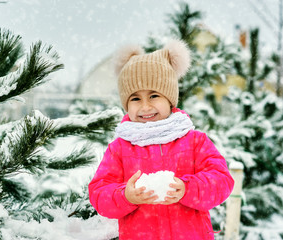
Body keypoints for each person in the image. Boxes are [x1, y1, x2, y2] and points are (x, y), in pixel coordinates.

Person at [88, 39, 234, 240]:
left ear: (169, 99)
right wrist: (125, 196)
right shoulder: (120, 148)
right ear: (126, 104)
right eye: (135, 98)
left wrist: (187, 188)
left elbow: (222, 180)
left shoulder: (194, 141)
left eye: (154, 95)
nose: (145, 106)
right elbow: (99, 192)